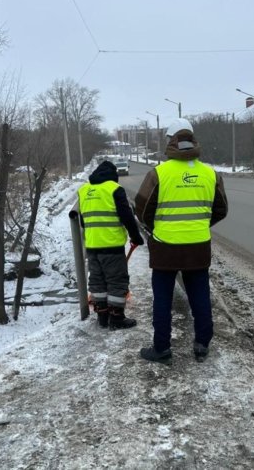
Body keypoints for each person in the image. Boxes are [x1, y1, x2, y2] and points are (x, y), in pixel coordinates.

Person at [134, 119, 228, 363]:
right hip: (198, 248)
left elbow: (142, 210)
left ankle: (162, 349)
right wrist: (198, 226)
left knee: (163, 299)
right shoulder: (210, 174)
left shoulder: (159, 174)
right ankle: (201, 345)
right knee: (200, 296)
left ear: (171, 141)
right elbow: (221, 209)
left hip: (165, 247)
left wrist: (157, 228)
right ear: (192, 140)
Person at [77, 160, 146, 329]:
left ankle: (102, 317)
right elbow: (127, 217)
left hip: (92, 246)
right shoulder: (114, 189)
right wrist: (136, 237)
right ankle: (116, 318)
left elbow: (83, 221)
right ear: (113, 175)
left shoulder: (84, 190)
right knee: (116, 281)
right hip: (112, 247)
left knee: (98, 282)